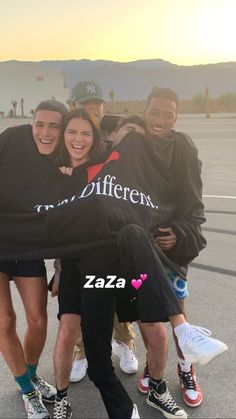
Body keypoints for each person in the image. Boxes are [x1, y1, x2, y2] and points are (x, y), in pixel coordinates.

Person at [49, 108, 227, 419]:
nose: (79, 139)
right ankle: (111, 407)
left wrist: (177, 231)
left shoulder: (123, 172)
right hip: (90, 276)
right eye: (73, 132)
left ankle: (180, 336)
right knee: (93, 357)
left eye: (85, 133)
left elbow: (177, 202)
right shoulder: (65, 172)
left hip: (122, 270)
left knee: (134, 234)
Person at [55, 84, 139, 383]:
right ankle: (80, 351)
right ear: (75, 105)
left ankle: (124, 340)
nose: (93, 108)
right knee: (75, 299)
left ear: (104, 107)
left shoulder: (115, 135)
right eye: (86, 103)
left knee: (114, 290)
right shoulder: (69, 136)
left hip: (108, 235)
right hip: (75, 236)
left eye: (97, 103)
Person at [136, 87, 210, 412]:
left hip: (170, 243)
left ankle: (186, 369)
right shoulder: (133, 142)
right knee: (147, 313)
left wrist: (179, 235)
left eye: (168, 114)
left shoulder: (182, 147)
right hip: (140, 243)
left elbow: (193, 201)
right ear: (144, 112)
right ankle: (153, 368)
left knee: (177, 308)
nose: (161, 120)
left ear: (175, 118)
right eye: (155, 112)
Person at [0, 100, 68, 419]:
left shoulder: (66, 159)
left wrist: (63, 264)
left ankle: (30, 374)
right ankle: (28, 392)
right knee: (4, 322)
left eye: (53, 126)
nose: (44, 132)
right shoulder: (13, 138)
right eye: (39, 124)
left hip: (26, 248)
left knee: (38, 321)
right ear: (32, 124)